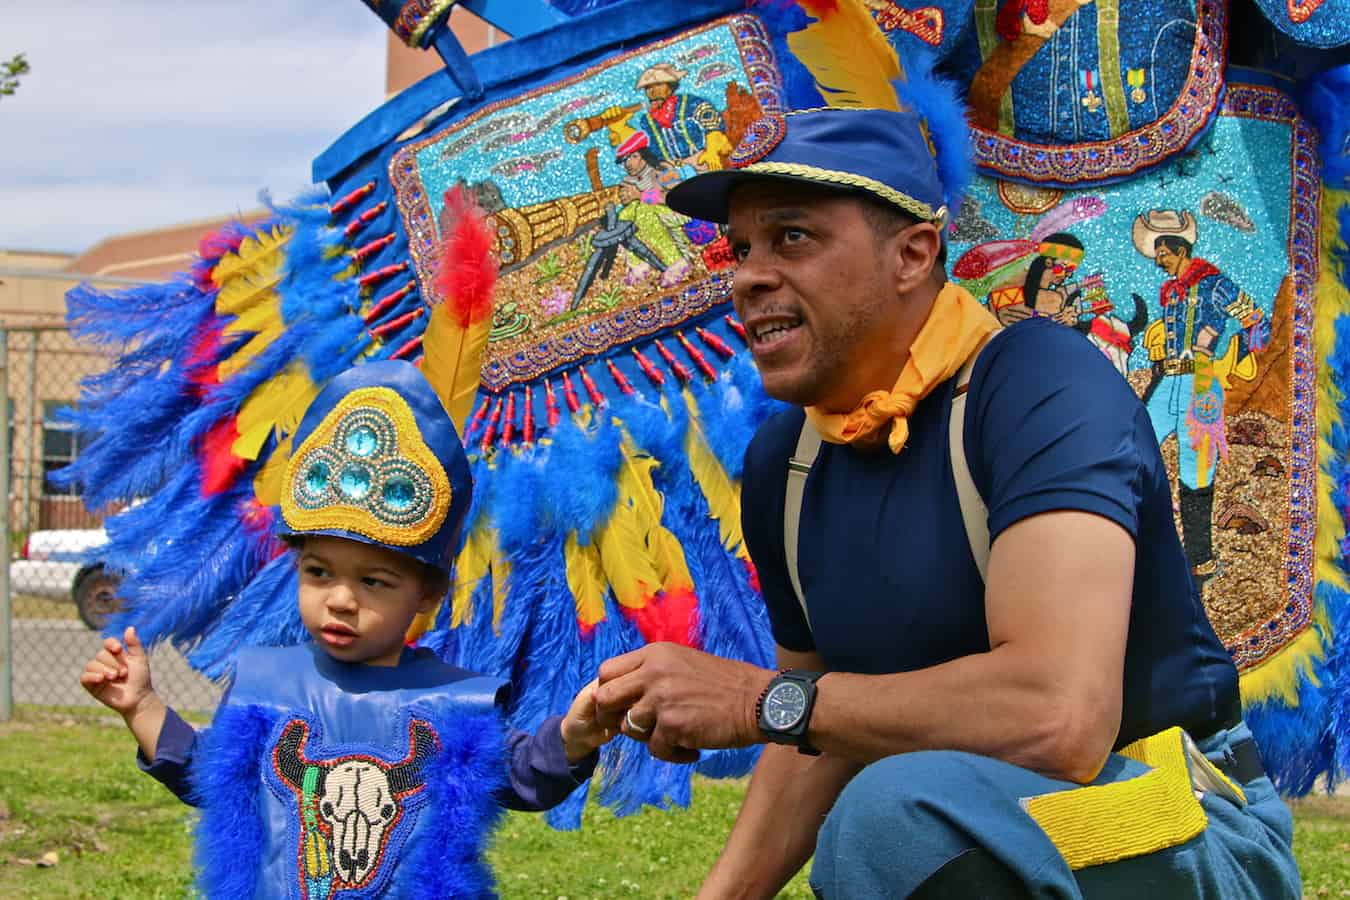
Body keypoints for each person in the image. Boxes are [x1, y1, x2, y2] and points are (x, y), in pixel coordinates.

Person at [592, 108, 1300, 898]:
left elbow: (1059, 717)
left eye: (793, 237)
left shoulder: (1038, 383)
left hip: (1182, 820)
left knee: (897, 818)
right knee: (899, 812)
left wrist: (753, 699)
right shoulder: (783, 463)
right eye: (741, 247)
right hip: (980, 815)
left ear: (914, 254)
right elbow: (813, 732)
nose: (747, 276)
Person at [80, 360, 614, 898]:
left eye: (375, 582)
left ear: (427, 594)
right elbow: (208, 773)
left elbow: (523, 775)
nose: (340, 600)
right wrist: (142, 706)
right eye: (318, 573)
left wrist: (572, 737)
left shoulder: (455, 703)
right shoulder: (266, 685)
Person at [1133, 209, 1264, 585]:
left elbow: (1256, 319)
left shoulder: (1213, 282)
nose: (1157, 260)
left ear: (1176, 248)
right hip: (1167, 380)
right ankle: (1136, 545)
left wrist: (1227, 354)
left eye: (1161, 253)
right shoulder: (1171, 291)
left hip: (1202, 383)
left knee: (1196, 472)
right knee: (1134, 449)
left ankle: (1199, 559)